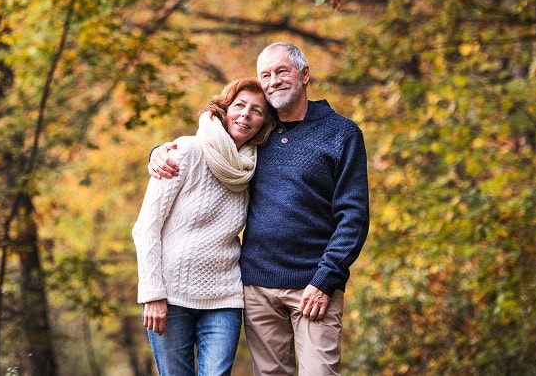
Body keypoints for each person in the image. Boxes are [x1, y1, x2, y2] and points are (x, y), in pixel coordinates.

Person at [150, 42, 370, 375]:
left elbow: (353, 217)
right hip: (256, 287)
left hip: (314, 284)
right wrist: (158, 152)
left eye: (282, 71)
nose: (273, 81)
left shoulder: (341, 133)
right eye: (265, 75)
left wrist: (327, 279)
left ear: (304, 74)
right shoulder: (257, 134)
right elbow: (211, 145)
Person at [133, 77, 276, 376]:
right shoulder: (185, 151)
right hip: (169, 297)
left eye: (256, 111)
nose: (245, 115)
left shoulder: (253, 168)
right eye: (239, 105)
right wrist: (153, 293)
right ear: (224, 109)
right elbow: (146, 227)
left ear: (264, 123)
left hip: (224, 297)